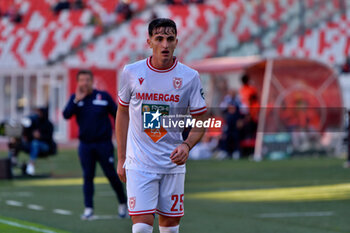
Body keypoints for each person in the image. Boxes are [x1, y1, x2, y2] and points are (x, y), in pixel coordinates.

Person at [116, 18, 206, 233]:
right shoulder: (131, 72)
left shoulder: (190, 77)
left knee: (170, 229)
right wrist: (121, 158)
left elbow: (201, 120)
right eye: (159, 39)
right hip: (139, 163)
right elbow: (122, 113)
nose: (165, 44)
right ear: (149, 42)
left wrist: (187, 145)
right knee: (141, 229)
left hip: (171, 164)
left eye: (170, 39)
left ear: (176, 42)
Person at [62, 70, 127, 220]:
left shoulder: (103, 97)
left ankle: (123, 203)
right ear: (78, 82)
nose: (85, 83)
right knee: (88, 177)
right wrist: (76, 100)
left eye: (87, 80)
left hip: (103, 144)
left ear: (92, 81)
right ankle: (88, 208)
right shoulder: (75, 99)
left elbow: (118, 114)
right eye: (82, 80)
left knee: (112, 175)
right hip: (85, 145)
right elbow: (66, 115)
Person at [8, 107, 56, 175]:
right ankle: (11, 163)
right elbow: (27, 135)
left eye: (40, 113)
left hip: (45, 146)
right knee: (16, 142)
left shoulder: (48, 124)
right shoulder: (34, 122)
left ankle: (31, 166)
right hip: (31, 146)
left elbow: (49, 138)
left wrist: (40, 136)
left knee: (35, 143)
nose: (38, 114)